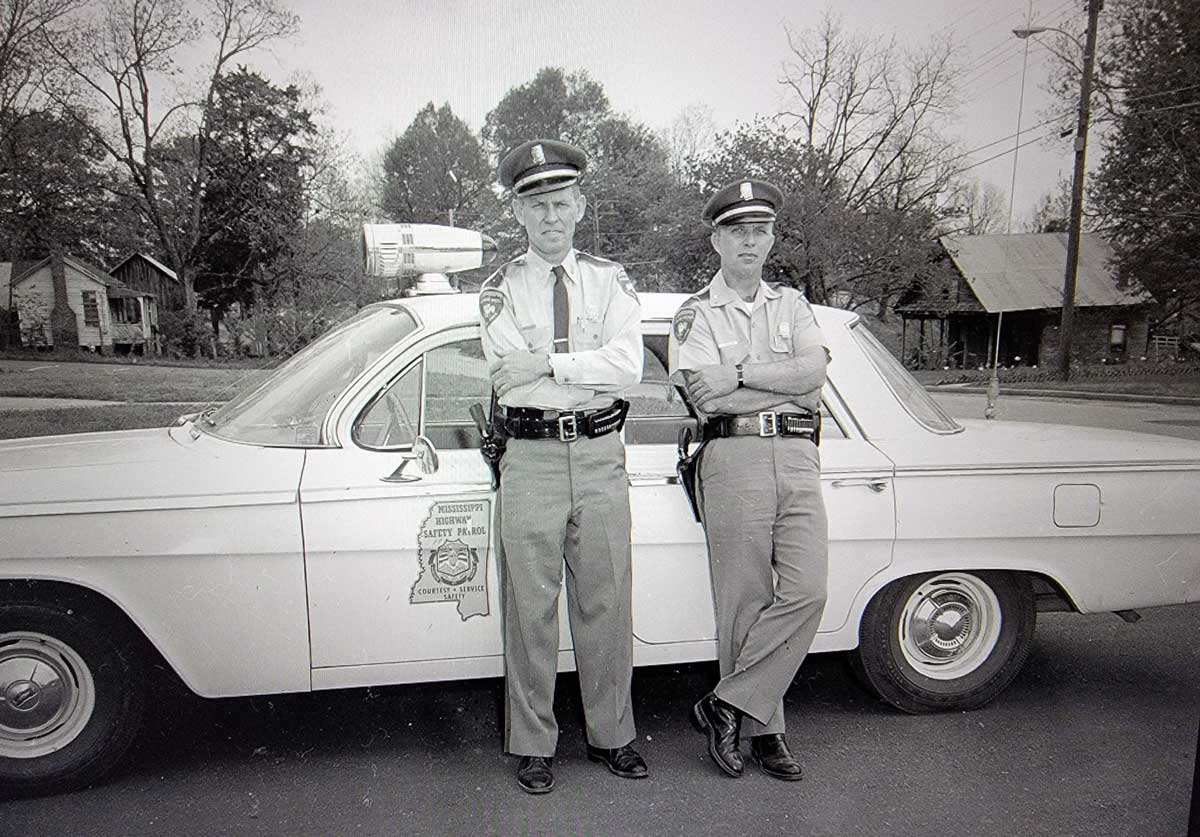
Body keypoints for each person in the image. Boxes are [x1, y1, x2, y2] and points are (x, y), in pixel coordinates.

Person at [478, 138, 647, 795]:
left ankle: (614, 735)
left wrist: (550, 363)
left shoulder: (612, 280)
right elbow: (506, 377)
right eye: (536, 204)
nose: (550, 215)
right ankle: (533, 743)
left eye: (561, 201)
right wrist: (587, 363)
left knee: (606, 599)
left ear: (580, 206)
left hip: (601, 454)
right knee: (531, 610)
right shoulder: (499, 291)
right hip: (532, 459)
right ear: (518, 214)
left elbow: (627, 366)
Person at [668, 179, 829, 781]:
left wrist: (738, 374)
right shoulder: (694, 314)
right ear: (716, 239)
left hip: (797, 454)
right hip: (732, 455)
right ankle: (768, 734)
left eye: (760, 231)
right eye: (738, 230)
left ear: (771, 239)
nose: (750, 242)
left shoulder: (793, 304)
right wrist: (780, 379)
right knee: (744, 601)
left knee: (808, 590)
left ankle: (725, 703)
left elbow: (816, 376)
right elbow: (705, 398)